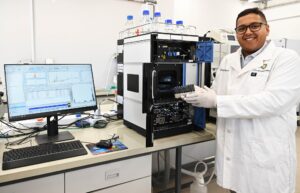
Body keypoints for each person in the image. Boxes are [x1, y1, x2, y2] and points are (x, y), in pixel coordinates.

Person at [183, 7, 300, 193]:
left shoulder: (286, 59)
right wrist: (199, 95)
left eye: (255, 26)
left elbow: (273, 102)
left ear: (267, 29)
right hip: (234, 151)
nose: (248, 32)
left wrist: (216, 101)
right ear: (236, 32)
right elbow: (217, 92)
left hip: (266, 156)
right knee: (235, 188)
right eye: (241, 28)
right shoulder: (229, 60)